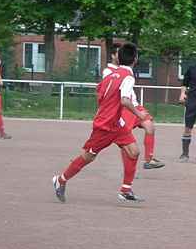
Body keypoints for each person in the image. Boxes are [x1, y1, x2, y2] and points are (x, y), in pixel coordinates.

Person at [52, 43, 148, 203]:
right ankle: (60, 180)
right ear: (135, 59)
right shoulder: (128, 76)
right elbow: (125, 100)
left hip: (116, 123)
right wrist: (139, 114)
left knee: (134, 151)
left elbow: (100, 93)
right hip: (105, 125)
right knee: (88, 156)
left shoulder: (112, 74)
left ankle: (126, 189)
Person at [104, 49, 164, 169]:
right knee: (126, 140)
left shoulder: (126, 70)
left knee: (150, 126)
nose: (120, 55)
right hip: (124, 108)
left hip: (134, 105)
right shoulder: (108, 71)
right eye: (117, 53)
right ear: (113, 56)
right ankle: (128, 169)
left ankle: (149, 160)